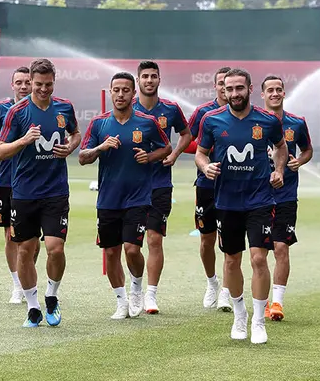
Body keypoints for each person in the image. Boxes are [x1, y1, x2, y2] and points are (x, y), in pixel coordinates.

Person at [195, 68, 287, 344]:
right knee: (232, 260)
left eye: (239, 88)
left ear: (249, 88)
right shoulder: (211, 120)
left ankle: (259, 321)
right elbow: (200, 152)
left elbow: (281, 147)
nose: (234, 93)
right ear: (222, 90)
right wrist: (205, 166)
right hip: (226, 202)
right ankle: (239, 314)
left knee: (259, 258)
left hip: (259, 199)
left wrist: (279, 169)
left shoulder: (268, 120)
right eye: (228, 89)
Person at [0, 58, 81, 328]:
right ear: (30, 81)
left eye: (49, 84)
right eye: (38, 84)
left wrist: (70, 146)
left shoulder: (64, 107)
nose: (44, 89)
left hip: (55, 191)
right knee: (26, 251)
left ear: (54, 81)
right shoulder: (17, 112)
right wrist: (23, 140)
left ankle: (51, 296)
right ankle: (32, 307)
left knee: (55, 249)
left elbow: (76, 133)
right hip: (24, 192)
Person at [79, 72, 172, 320]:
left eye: (125, 90)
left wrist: (150, 157)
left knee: (132, 249)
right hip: (108, 199)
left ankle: (137, 287)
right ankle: (121, 301)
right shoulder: (99, 124)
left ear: (133, 93)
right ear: (110, 92)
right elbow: (82, 157)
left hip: (138, 197)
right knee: (111, 252)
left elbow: (167, 147)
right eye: (116, 90)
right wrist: (101, 147)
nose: (120, 94)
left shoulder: (147, 122)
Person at [132, 60, 192, 314]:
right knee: (131, 246)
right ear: (138, 80)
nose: (149, 80)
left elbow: (187, 134)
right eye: (144, 76)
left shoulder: (170, 109)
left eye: (153, 76)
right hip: (130, 187)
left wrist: (176, 153)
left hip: (159, 184)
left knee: (154, 239)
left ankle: (151, 295)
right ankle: (135, 289)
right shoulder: (127, 108)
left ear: (159, 79)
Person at [0, 66, 35, 304]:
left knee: (31, 239)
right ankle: (17, 286)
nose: (24, 86)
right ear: (12, 85)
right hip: (7, 181)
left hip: (33, 181)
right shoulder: (1, 109)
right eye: (19, 82)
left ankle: (28, 280)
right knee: (10, 236)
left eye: (27, 82)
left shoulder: (41, 110)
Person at [261, 75, 312, 321]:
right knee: (258, 253)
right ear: (262, 95)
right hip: (257, 197)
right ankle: (259, 298)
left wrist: (298, 162)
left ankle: (277, 303)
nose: (274, 93)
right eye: (270, 89)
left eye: (278, 89)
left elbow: (308, 150)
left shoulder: (297, 123)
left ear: (284, 93)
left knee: (281, 247)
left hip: (286, 196)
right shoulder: (254, 123)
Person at [186, 66, 234, 311]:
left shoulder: (243, 114)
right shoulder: (203, 113)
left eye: (230, 84)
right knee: (207, 240)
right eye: (221, 83)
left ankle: (227, 291)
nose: (226, 88)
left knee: (229, 241)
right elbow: (187, 140)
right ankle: (211, 283)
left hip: (234, 186)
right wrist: (203, 156)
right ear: (216, 86)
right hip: (206, 185)